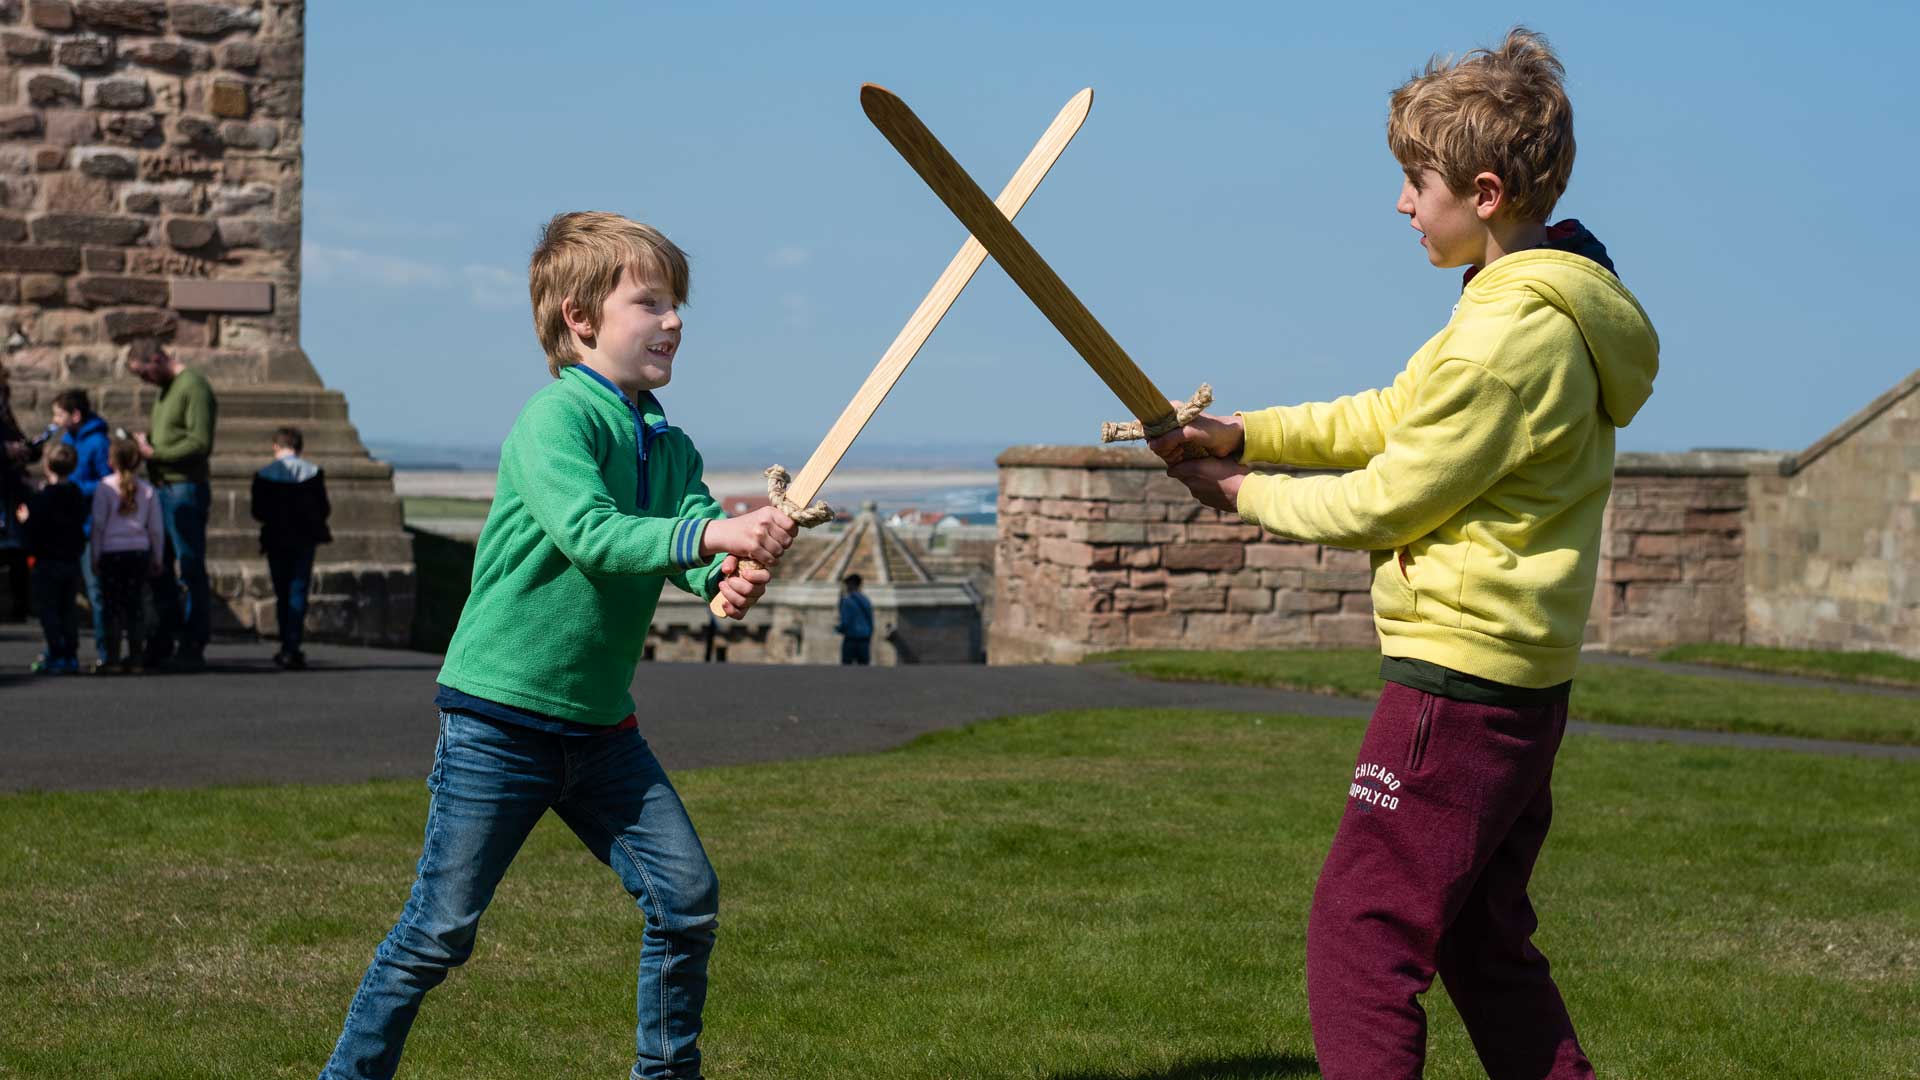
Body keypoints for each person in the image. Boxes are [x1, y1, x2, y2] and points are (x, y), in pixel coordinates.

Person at [1150, 28, 1657, 1080]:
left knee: (1363, 932)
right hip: (1514, 680)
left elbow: (1393, 497)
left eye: (1411, 182)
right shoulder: (1525, 302)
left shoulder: (1506, 339)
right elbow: (1395, 415)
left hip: (1459, 685)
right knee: (1480, 941)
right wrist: (1245, 433)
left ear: (1480, 190)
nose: (1399, 204)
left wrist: (1240, 494)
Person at [320, 211, 798, 1080]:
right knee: (438, 933)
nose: (674, 321)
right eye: (649, 302)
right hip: (499, 720)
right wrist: (717, 542)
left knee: (685, 901)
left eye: (677, 304)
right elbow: (595, 534)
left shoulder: (669, 442)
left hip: (601, 730)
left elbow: (685, 538)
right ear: (580, 317)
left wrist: (722, 577)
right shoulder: (557, 421)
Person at [127, 337, 218, 671]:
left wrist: (158, 454)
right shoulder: (167, 390)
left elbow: (199, 442)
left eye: (144, 374)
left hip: (184, 489)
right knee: (159, 566)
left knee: (190, 566)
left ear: (157, 359)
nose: (144, 382)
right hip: (161, 488)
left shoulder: (193, 387)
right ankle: (162, 637)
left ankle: (193, 642)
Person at [251, 425, 332, 670]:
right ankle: (292, 645)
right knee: (298, 590)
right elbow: (324, 509)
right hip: (304, 539)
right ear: (299, 446)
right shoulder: (314, 473)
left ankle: (286, 642)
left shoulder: (264, 474)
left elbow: (257, 511)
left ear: (276, 446)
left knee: (281, 592)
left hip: (276, 538)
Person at [51, 389, 114, 670]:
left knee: (95, 590)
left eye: (59, 414)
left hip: (89, 526)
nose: (54, 420)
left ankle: (106, 651)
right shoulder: (68, 439)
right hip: (67, 527)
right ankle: (65, 650)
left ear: (75, 415)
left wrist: (74, 489)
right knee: (63, 594)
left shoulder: (98, 443)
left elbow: (106, 482)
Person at [91, 437, 164, 675]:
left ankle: (111, 657)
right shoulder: (148, 489)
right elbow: (155, 528)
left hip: (112, 552)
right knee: (135, 607)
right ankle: (136, 658)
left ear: (112, 461)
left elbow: (99, 525)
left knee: (112, 607)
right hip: (138, 551)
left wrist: (95, 554)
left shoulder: (104, 487)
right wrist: (158, 557)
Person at [16, 443, 89, 673]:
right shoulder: (76, 494)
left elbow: (34, 530)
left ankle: (56, 652)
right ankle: (70, 653)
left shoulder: (42, 498)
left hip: (47, 561)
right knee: (68, 608)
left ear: (47, 465)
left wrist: (25, 519)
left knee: (49, 610)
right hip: (70, 559)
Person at [0, 359, 34, 621]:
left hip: (10, 490)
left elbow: (15, 435)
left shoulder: (4, 410)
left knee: (18, 550)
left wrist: (28, 449)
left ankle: (20, 607)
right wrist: (6, 450)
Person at [835, 572, 874, 665]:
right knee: (864, 669)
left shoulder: (847, 601)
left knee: (847, 668)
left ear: (851, 584)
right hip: (864, 638)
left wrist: (838, 629)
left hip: (851, 638)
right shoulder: (866, 600)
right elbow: (870, 620)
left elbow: (845, 621)